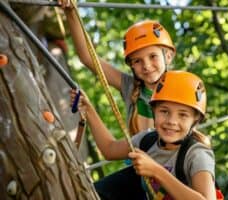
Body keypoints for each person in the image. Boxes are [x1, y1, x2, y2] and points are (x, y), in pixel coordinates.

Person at [70, 70, 216, 200]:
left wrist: (156, 171)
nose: (172, 121)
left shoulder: (196, 155)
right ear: (154, 111)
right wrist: (88, 109)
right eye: (164, 111)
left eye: (183, 115)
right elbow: (110, 149)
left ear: (195, 120)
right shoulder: (147, 141)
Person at [59, 0, 175, 134]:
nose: (146, 66)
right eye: (137, 61)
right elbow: (88, 57)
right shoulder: (130, 87)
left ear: (168, 56)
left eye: (153, 56)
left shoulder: (181, 88)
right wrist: (71, 11)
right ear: (131, 65)